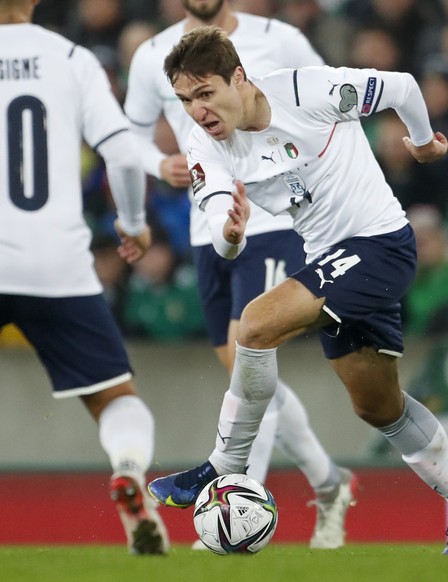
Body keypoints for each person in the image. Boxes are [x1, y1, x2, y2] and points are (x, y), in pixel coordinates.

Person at [146, 26, 448, 555]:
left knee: (255, 323)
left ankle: (223, 466)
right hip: (329, 262)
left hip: (382, 244)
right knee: (378, 407)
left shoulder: (306, 91)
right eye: (185, 100)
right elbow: (221, 222)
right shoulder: (204, 144)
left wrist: (425, 142)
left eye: (205, 94)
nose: (197, 111)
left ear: (238, 78)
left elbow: (403, 87)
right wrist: (230, 232)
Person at [123, 0, 355, 550]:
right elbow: (126, 134)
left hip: (276, 221)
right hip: (213, 227)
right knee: (250, 378)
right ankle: (329, 482)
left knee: (252, 360)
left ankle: (233, 511)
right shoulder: (152, 54)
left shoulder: (279, 38)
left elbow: (330, 102)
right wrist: (161, 165)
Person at [0, 0, 168, 555]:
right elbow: (122, 154)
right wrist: (135, 223)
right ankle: (127, 471)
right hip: (56, 261)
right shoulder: (70, 57)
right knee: (115, 397)